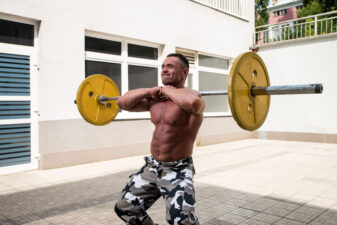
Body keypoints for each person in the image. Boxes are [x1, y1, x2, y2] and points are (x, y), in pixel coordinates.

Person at [114, 53, 205, 225]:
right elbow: (122, 102)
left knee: (181, 221)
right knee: (125, 207)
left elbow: (194, 104)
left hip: (177, 169)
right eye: (163, 66)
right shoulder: (155, 100)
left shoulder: (192, 96)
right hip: (153, 167)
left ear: (184, 72)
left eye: (170, 66)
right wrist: (149, 91)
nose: (164, 69)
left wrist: (169, 90)